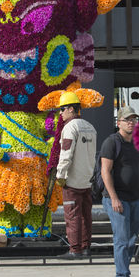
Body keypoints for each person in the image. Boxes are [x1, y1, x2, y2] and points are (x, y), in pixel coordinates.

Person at [101, 106, 139, 277]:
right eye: (127, 119)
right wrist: (113, 198)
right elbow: (105, 171)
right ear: (118, 122)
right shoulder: (112, 142)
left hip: (135, 197)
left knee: (131, 237)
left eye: (134, 119)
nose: (131, 122)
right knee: (121, 238)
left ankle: (124, 273)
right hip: (118, 198)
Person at [55, 92, 97, 259]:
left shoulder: (70, 128)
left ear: (72, 109)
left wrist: (60, 175)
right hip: (87, 179)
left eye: (62, 109)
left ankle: (75, 250)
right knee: (86, 216)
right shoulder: (90, 126)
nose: (60, 113)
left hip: (72, 181)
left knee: (72, 217)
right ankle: (86, 247)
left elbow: (66, 153)